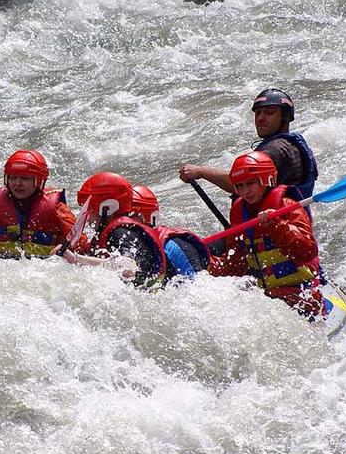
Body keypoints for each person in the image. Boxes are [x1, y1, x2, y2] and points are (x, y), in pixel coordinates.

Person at [207, 152, 323, 316]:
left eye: (251, 183)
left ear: (267, 179)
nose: (245, 191)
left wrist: (276, 226)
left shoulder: (289, 206)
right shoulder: (240, 214)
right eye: (240, 186)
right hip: (268, 300)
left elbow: (307, 251)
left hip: (303, 297)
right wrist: (206, 263)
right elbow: (235, 264)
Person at [58, 173, 208, 287]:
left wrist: (75, 260)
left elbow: (128, 269)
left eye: (88, 208)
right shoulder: (114, 232)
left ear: (107, 207)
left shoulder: (121, 233)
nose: (86, 216)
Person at [179, 88, 319, 199]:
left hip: (274, 225)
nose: (261, 118)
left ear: (286, 118)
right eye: (258, 113)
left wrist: (200, 171)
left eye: (269, 113)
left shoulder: (276, 149)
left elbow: (239, 183)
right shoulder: (289, 143)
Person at [0, 149, 88, 258]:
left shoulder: (58, 210)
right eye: (13, 178)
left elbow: (80, 246)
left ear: (39, 181)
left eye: (25, 178)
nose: (18, 183)